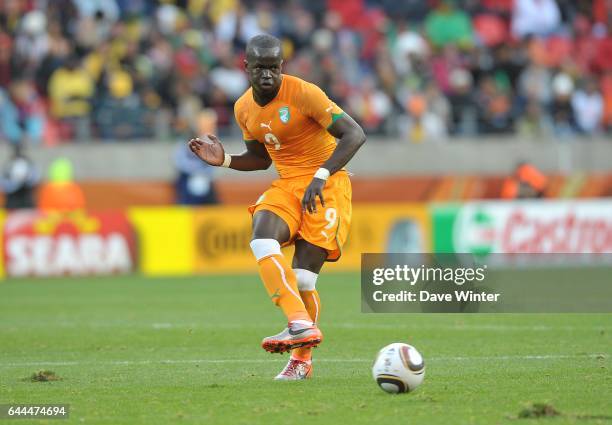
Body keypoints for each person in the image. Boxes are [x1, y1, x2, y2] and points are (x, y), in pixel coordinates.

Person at [188, 34, 366, 380]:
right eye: (260, 68)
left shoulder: (304, 93)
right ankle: (298, 321)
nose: (267, 75)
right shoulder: (243, 109)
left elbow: (354, 134)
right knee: (262, 237)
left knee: (302, 278)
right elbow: (259, 159)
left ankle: (301, 360)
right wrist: (223, 160)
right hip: (288, 185)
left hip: (327, 186)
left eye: (273, 67)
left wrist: (321, 174)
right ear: (246, 68)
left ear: (281, 67)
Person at [1, 143, 40, 209]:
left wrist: (26, 179)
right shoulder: (8, 165)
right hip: (12, 201)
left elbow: (35, 179)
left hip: (26, 200)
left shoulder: (29, 163)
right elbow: (4, 184)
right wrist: (14, 182)